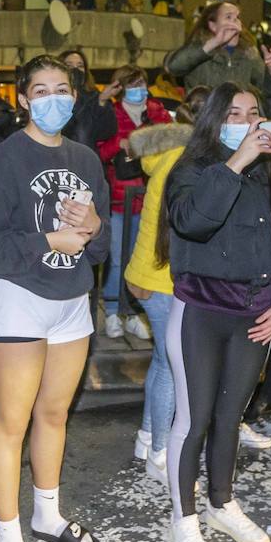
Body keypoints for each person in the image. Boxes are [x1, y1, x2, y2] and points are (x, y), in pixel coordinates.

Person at [0, 55, 110, 542]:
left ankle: (47, 515)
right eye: (41, 89)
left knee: (54, 413)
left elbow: (100, 250)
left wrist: (95, 227)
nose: (54, 98)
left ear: (74, 96)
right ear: (24, 98)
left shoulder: (85, 159)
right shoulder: (4, 159)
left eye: (63, 89)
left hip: (72, 302)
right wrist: (48, 240)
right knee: (11, 423)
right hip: (19, 301)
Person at [159, 83, 271, 542]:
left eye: (254, 112)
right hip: (200, 311)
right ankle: (185, 518)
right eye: (234, 113)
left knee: (229, 417)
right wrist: (235, 162)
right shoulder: (193, 170)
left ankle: (221, 503)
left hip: (255, 316)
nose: (246, 120)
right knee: (193, 419)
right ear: (214, 120)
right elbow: (193, 222)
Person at [124, 87, 207, 480]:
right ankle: (160, 452)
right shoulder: (190, 162)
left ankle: (146, 437)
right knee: (174, 366)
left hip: (149, 273)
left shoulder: (169, 154)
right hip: (163, 278)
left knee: (162, 359)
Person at [95, 65, 172, 340]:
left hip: (152, 199)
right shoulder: (111, 114)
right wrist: (120, 142)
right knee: (117, 260)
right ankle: (114, 310)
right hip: (118, 199)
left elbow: (172, 137)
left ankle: (134, 312)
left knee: (144, 260)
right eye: (132, 84)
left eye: (141, 83)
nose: (138, 89)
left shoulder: (156, 111)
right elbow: (100, 151)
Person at [167, 1, 266, 91]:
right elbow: (173, 67)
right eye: (228, 17)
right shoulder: (199, 51)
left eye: (237, 18)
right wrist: (213, 43)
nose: (235, 22)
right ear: (212, 26)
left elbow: (267, 89)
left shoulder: (248, 54)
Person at [57, 49, 118, 153]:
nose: (75, 70)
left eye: (80, 66)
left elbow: (108, 131)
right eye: (69, 65)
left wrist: (102, 102)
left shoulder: (95, 96)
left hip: (87, 156)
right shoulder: (52, 97)